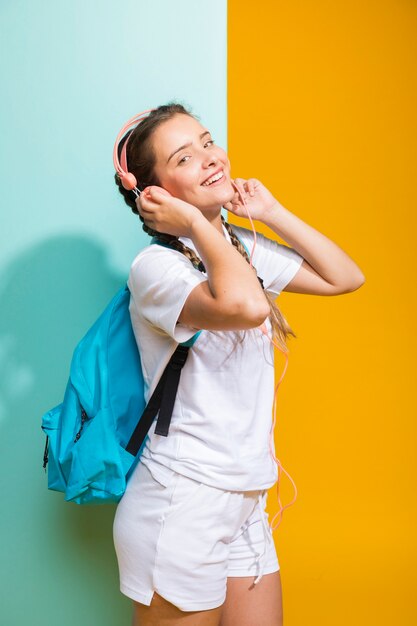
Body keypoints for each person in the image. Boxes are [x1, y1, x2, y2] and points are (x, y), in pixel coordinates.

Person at [112, 102, 365, 626]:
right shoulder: (156, 269)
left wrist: (270, 212)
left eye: (208, 142)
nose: (209, 158)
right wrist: (192, 223)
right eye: (184, 157)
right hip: (182, 500)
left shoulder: (237, 247)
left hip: (246, 496)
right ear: (151, 193)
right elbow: (245, 307)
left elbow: (345, 277)